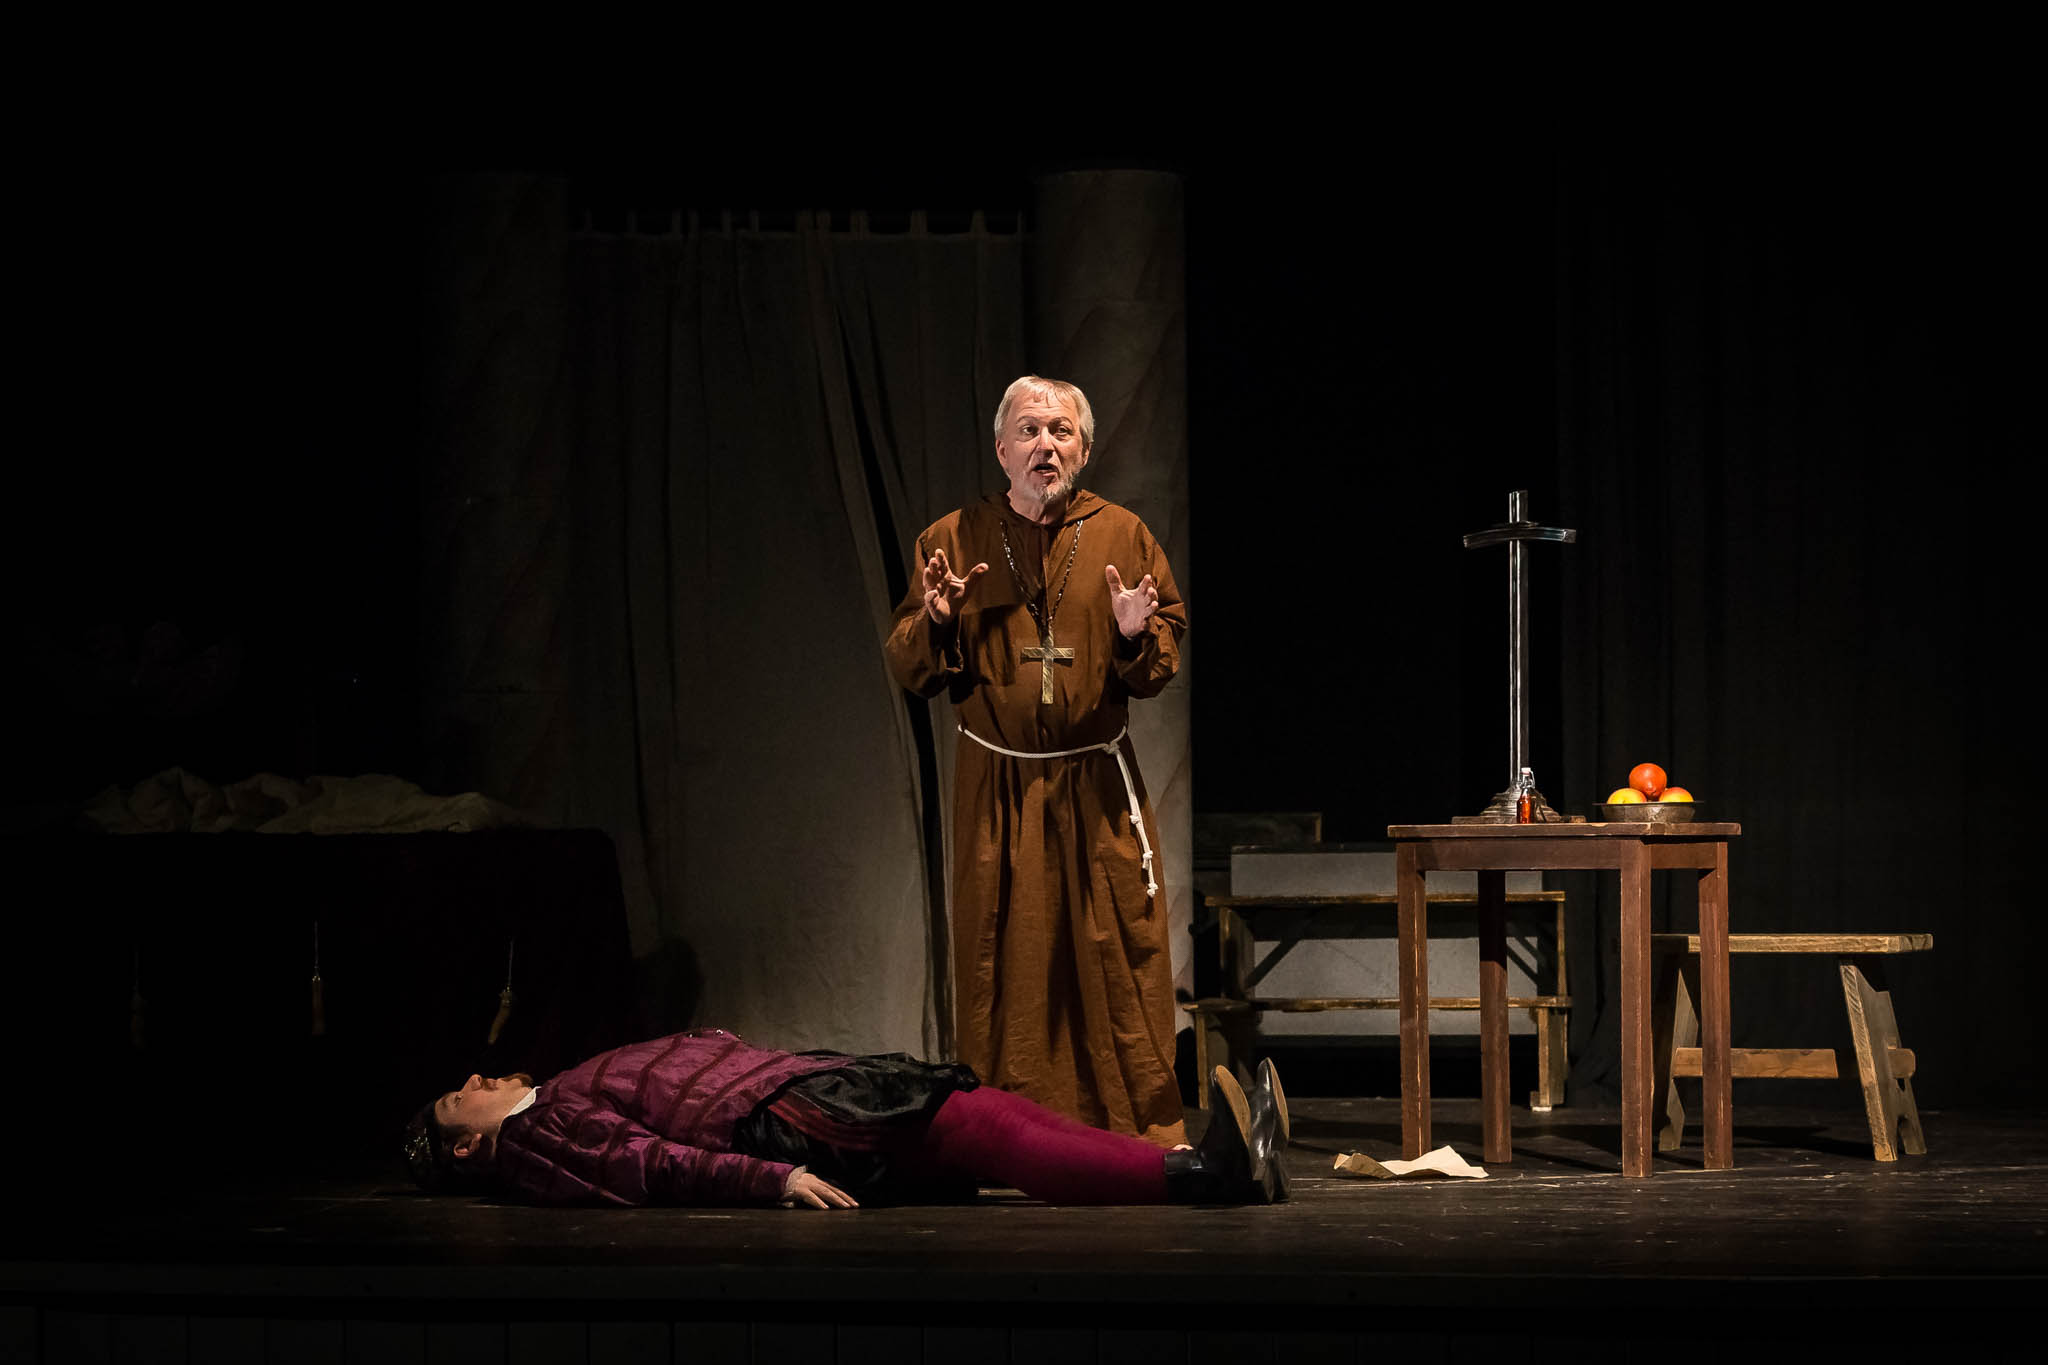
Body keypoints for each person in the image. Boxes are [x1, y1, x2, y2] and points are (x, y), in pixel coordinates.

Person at [883, 376, 1188, 1145]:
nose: (1044, 444)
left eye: (1061, 431)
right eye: (1029, 430)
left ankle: (1131, 1131)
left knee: (1116, 950)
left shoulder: (1123, 536)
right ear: (1001, 448)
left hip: (1094, 788)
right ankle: (1007, 1136)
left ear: (1083, 449)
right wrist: (939, 620)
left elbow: (1159, 665)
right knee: (1004, 963)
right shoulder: (950, 539)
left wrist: (1129, 635)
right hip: (998, 789)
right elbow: (912, 670)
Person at [404, 1029, 1288, 1208]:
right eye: (458, 1095)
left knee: (995, 1116)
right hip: (782, 1119)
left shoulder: (545, 1097)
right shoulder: (540, 1135)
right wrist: (775, 1175)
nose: (473, 1075)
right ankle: (1204, 1177)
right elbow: (656, 1161)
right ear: (472, 1143)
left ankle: (1182, 1158)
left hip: (787, 1087)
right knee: (986, 1130)